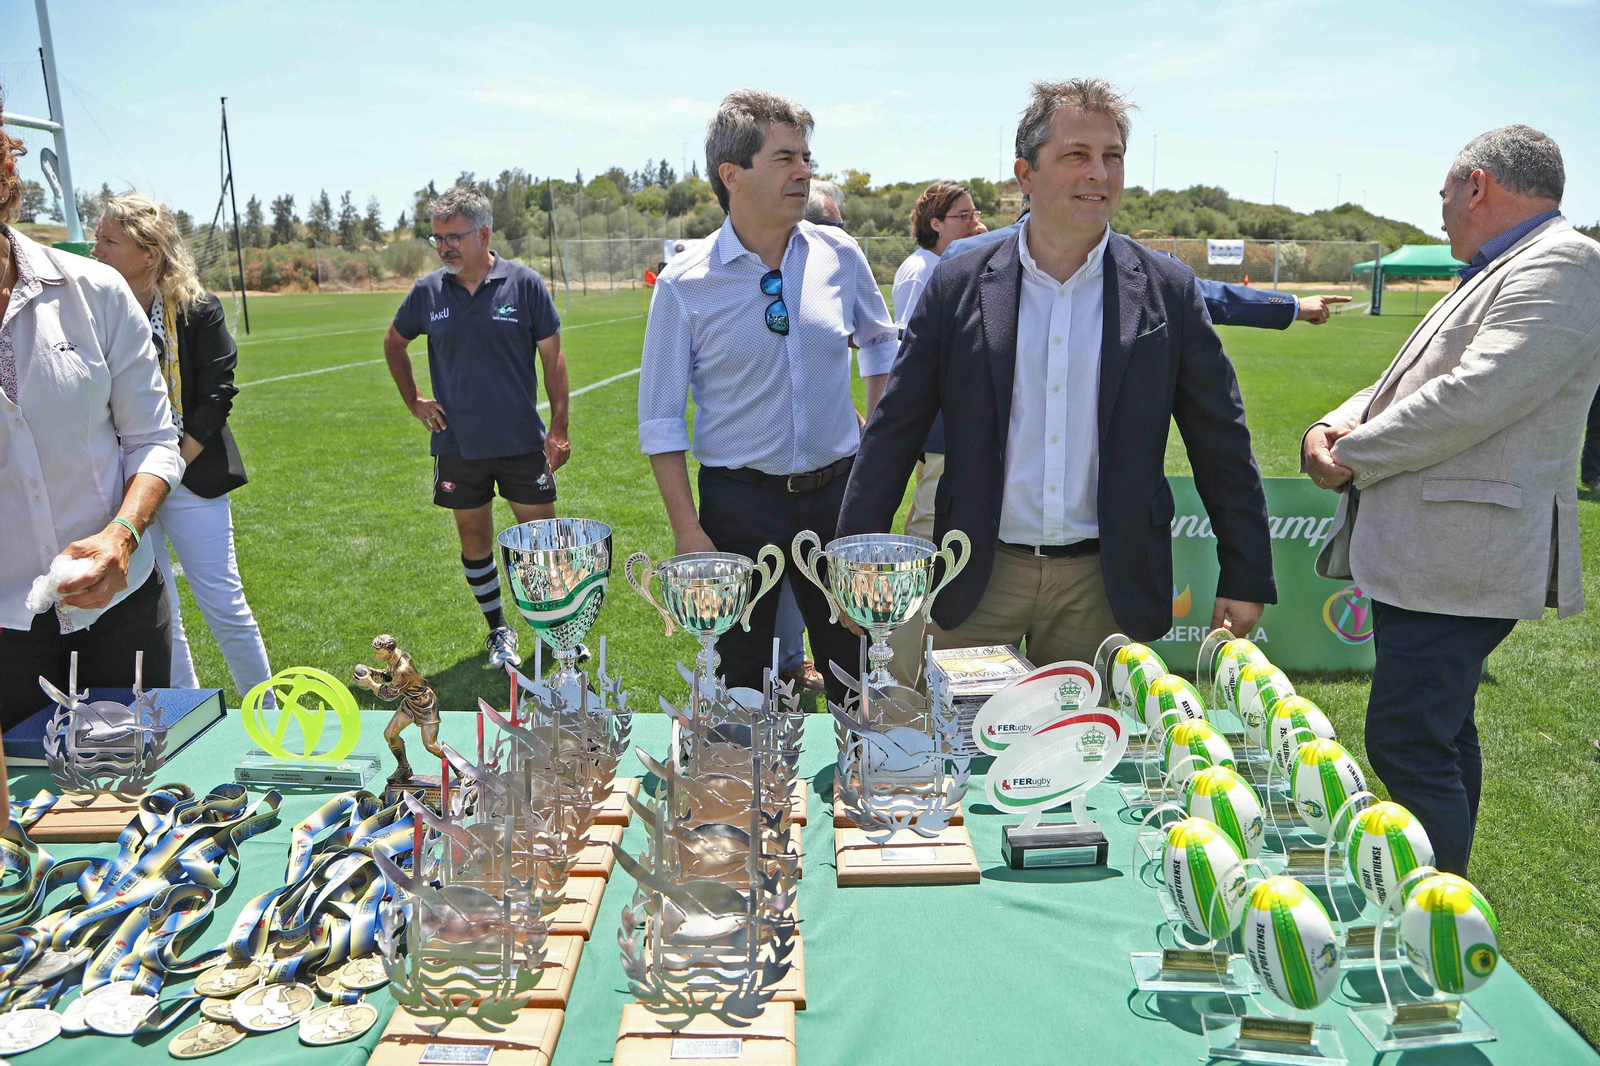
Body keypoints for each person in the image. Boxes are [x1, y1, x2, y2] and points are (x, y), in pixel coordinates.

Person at [838, 78, 1276, 669]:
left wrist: (1246, 570)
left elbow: (1220, 439)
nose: (1099, 173)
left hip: (1105, 587)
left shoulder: (1167, 290)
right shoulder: (958, 283)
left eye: (1112, 156)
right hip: (974, 576)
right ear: (1026, 174)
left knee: (1091, 734)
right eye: (1077, 155)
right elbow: (896, 427)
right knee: (954, 730)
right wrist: (855, 556)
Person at [1303, 124, 1600, 876]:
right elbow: (1405, 381)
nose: (1440, 216)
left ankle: (1433, 915)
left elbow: (1474, 395)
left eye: (1442, 196)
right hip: (1439, 555)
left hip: (1463, 554)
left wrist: (1351, 457)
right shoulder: (1503, 264)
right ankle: (1445, 905)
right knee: (1438, 732)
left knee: (1406, 739)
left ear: (1477, 185)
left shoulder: (1564, 260)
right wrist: (1330, 425)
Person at [638, 89, 898, 705]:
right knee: (742, 682)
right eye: (784, 158)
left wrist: (876, 449)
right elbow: (660, 419)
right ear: (732, 175)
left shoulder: (840, 255)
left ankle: (858, 768)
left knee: (855, 672)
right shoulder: (683, 284)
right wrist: (686, 529)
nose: (803, 171)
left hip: (836, 500)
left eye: (806, 157)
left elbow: (880, 344)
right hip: (738, 507)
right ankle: (747, 770)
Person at [0, 82, 183, 732]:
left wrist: (122, 534)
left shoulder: (96, 290)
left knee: (135, 787)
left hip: (121, 614)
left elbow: (154, 439)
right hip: (5, 636)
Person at [90, 194, 272, 699]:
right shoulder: (93, 311)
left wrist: (169, 468)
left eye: (109, 241)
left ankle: (268, 716)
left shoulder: (197, 309)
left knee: (224, 605)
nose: (95, 250)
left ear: (148, 253)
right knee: (159, 611)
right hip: (124, 482)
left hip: (193, 475)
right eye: (97, 238)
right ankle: (189, 714)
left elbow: (216, 396)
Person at [384, 185, 572, 669]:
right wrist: (414, 401)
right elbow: (394, 343)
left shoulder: (524, 284)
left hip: (520, 442)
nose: (444, 247)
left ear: (484, 234)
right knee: (474, 541)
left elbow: (553, 359)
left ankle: (555, 630)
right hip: (458, 446)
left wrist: (558, 427)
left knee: (542, 541)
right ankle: (498, 630)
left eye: (454, 237)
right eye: (438, 238)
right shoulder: (427, 291)